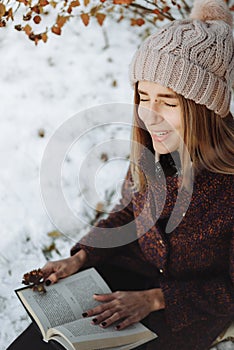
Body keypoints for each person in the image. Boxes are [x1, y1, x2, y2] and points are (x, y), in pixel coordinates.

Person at [7, 0, 234, 349]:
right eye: (143, 96)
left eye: (168, 102)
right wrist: (81, 258)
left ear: (205, 107)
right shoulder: (153, 148)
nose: (149, 115)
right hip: (125, 274)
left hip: (186, 308)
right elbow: (129, 212)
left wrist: (155, 299)